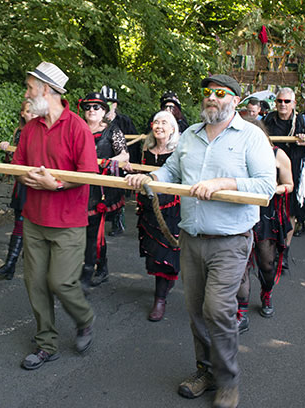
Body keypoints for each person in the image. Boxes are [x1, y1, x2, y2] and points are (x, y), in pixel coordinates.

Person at [127, 74, 276, 408]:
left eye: (220, 93)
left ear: (234, 100)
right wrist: (149, 177)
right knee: (196, 310)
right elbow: (171, 173)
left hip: (231, 240)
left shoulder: (251, 137)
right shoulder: (191, 136)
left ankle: (228, 382)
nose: (211, 98)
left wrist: (225, 183)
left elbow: (266, 186)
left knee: (217, 309)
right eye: (207, 93)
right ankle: (206, 372)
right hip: (191, 238)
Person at [12, 62, 97, 370]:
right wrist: (26, 178)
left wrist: (56, 184)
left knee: (60, 282)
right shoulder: (30, 128)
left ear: (46, 90)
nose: (26, 93)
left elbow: (89, 174)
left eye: (30, 87)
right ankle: (46, 343)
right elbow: (18, 165)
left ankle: (85, 318)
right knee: (35, 283)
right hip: (34, 219)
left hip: (68, 222)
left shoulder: (78, 128)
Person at [236, 119, 293, 332]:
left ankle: (266, 292)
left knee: (267, 264)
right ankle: (240, 311)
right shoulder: (234, 153)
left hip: (267, 215)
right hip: (239, 213)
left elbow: (289, 185)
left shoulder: (277, 154)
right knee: (240, 264)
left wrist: (269, 189)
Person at [125, 111, 181, 322]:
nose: (159, 125)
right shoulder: (146, 148)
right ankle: (164, 285)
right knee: (151, 252)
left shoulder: (179, 151)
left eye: (164, 122)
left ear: (173, 128)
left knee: (164, 254)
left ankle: (160, 299)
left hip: (171, 208)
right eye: (156, 122)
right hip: (148, 206)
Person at [263, 88, 305, 262]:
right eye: (280, 101)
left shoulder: (302, 122)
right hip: (270, 169)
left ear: (293, 104)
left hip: (293, 170)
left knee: (290, 212)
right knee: (267, 208)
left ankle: (284, 252)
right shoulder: (268, 120)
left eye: (287, 102)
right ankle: (267, 249)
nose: (283, 104)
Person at [79, 92, 129, 288]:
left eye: (96, 107)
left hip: (100, 189)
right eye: (88, 107)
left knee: (94, 230)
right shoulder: (78, 129)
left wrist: (108, 162)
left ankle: (95, 268)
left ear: (104, 111)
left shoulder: (112, 131)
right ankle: (89, 266)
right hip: (78, 185)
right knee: (78, 229)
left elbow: (124, 155)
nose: (91, 110)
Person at [0, 100, 36, 279]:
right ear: (22, 114)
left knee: (36, 226)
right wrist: (8, 150)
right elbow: (12, 165)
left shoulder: (45, 133)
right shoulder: (19, 132)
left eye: (34, 111)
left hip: (39, 184)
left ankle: (33, 264)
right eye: (28, 112)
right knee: (19, 223)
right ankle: (10, 265)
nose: (31, 115)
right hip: (22, 185)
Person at [100, 85, 137, 237]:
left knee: (116, 193)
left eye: (108, 102)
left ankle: (117, 222)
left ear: (114, 104)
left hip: (119, 165)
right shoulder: (96, 120)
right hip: (102, 164)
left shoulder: (124, 122)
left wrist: (130, 164)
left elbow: (134, 145)